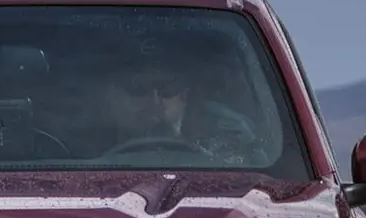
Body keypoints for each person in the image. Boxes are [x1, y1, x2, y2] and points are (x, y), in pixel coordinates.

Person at [99, 44, 262, 164]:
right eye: (139, 88)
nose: (154, 102)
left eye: (167, 88)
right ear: (112, 96)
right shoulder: (78, 158)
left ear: (184, 96)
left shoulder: (225, 148)